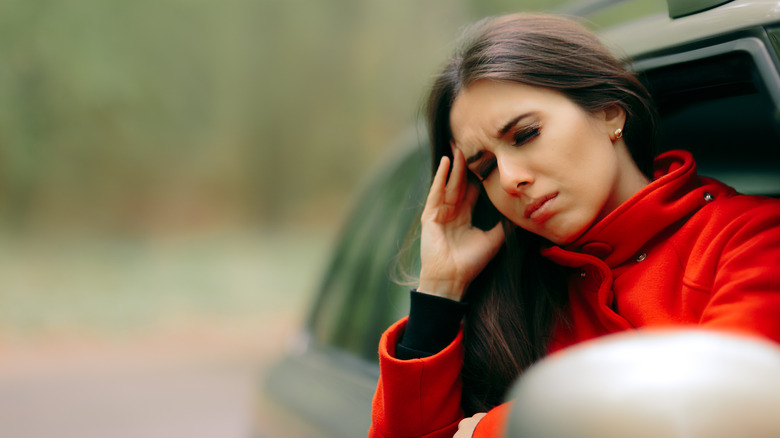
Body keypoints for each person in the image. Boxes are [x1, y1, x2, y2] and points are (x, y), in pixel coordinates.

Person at [368, 13, 780, 438]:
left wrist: (493, 430)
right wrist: (442, 287)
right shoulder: (517, 294)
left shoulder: (751, 238)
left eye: (525, 134)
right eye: (486, 167)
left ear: (608, 112)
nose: (510, 180)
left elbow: (723, 409)